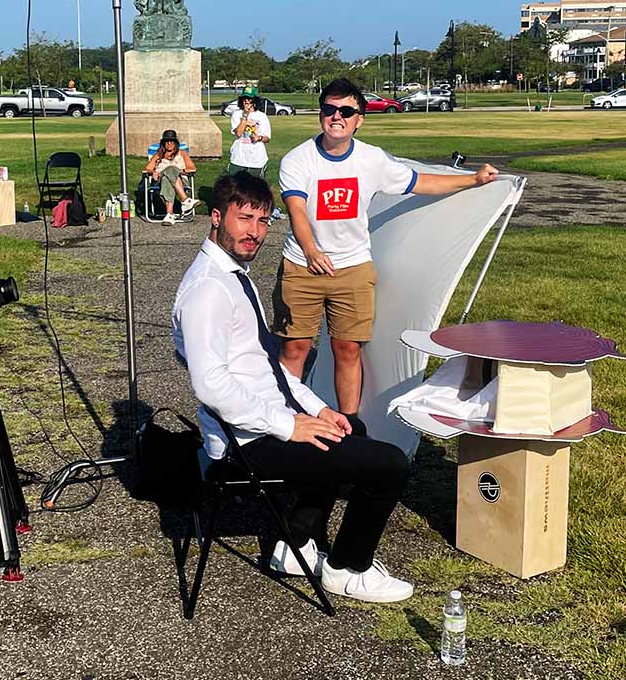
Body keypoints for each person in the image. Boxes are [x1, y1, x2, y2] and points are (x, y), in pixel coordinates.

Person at [173, 172, 414, 603]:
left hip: (263, 421)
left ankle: (295, 544)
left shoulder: (232, 274)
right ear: (216, 217)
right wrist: (290, 426)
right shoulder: (208, 288)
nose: (255, 232)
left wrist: (318, 410)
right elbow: (210, 385)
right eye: (244, 218)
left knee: (349, 428)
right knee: (389, 465)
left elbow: (269, 365)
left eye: (263, 221)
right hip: (243, 442)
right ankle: (348, 570)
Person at [273, 77, 499, 415]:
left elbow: (420, 183)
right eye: (329, 109)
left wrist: (473, 180)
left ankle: (350, 426)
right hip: (302, 266)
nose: (337, 117)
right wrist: (311, 250)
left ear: (359, 120)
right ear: (320, 114)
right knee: (295, 348)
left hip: (352, 267)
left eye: (346, 111)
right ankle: (284, 421)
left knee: (348, 349)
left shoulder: (372, 159)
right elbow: (296, 210)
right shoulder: (298, 159)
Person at [143, 129, 199, 225]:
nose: (169, 143)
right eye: (167, 141)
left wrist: (181, 171)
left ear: (176, 143)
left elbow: (192, 168)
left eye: (172, 141)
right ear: (163, 143)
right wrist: (153, 172)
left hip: (181, 180)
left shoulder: (182, 153)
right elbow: (146, 169)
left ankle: (169, 215)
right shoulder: (158, 155)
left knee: (169, 173)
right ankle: (185, 200)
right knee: (167, 175)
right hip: (160, 181)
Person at [229, 85, 272, 178]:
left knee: (256, 186)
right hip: (238, 159)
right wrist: (245, 115)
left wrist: (259, 138)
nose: (246, 101)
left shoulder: (262, 116)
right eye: (244, 98)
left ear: (255, 100)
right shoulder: (237, 114)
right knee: (235, 184)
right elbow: (238, 133)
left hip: (257, 160)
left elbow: (267, 138)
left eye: (249, 99)